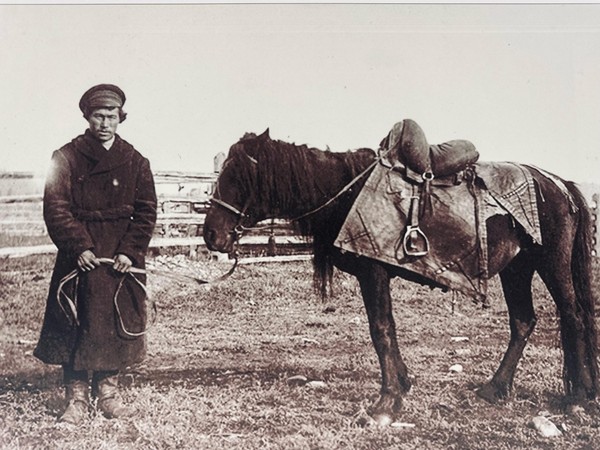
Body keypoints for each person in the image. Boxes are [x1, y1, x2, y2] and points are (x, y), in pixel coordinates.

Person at [34, 84, 157, 425]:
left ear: (121, 119)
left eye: (112, 117)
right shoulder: (66, 157)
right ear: (87, 117)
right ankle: (75, 399)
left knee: (114, 322)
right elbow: (55, 208)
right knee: (76, 321)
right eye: (98, 116)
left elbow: (147, 212)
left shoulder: (135, 161)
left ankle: (108, 395)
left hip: (120, 258)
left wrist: (130, 252)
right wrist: (79, 247)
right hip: (79, 256)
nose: (104, 123)